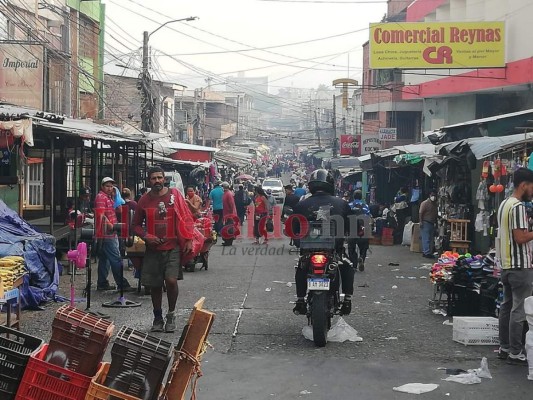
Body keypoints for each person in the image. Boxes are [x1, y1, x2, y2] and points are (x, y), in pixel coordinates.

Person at [132, 166, 194, 333]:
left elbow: (186, 217)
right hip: (153, 249)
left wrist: (188, 239)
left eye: (160, 177)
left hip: (173, 246)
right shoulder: (144, 200)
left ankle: (171, 314)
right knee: (155, 285)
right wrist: (147, 236)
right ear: (149, 181)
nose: (157, 181)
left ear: (164, 179)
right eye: (154, 178)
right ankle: (157, 317)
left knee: (171, 280)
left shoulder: (175, 195)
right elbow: (136, 225)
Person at [291, 169, 354, 316]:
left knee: (301, 267)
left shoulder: (302, 205)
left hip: (308, 250)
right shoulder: (342, 204)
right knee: (347, 266)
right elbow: (353, 226)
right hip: (334, 250)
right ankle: (347, 300)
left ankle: (300, 300)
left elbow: (294, 229)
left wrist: (298, 241)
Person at [496, 167, 533, 365]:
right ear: (523, 185)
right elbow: (520, 238)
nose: (532, 191)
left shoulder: (504, 204)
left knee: (507, 306)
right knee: (519, 310)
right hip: (520, 266)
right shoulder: (518, 207)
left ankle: (504, 347)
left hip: (507, 264)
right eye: (532, 187)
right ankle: (516, 352)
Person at [94, 177, 133, 292]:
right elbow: (101, 214)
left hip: (110, 232)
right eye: (107, 186)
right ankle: (122, 284)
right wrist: (109, 225)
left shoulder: (109, 197)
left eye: (111, 186)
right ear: (102, 187)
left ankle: (102, 283)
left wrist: (117, 195)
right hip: (107, 233)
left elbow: (120, 210)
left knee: (104, 259)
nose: (110, 188)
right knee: (116, 258)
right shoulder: (101, 197)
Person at [347, 190, 371, 272]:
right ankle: (361, 258)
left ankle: (354, 265)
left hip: (352, 229)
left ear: (353, 197)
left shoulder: (349, 205)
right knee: (363, 247)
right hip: (362, 229)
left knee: (351, 248)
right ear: (361, 197)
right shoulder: (365, 206)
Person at [419, 191, 438, 259]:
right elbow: (421, 213)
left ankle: (427, 252)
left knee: (430, 239)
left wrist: (436, 223)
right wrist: (421, 222)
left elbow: (435, 214)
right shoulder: (425, 203)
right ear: (430, 195)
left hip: (432, 223)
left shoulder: (435, 204)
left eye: (435, 195)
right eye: (432, 195)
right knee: (426, 238)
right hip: (425, 222)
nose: (434, 197)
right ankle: (427, 253)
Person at [221, 182, 237, 246]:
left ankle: (229, 241)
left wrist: (230, 214)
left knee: (229, 228)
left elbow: (231, 204)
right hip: (226, 214)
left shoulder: (229, 194)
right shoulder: (226, 193)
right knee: (227, 228)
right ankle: (227, 241)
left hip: (229, 214)